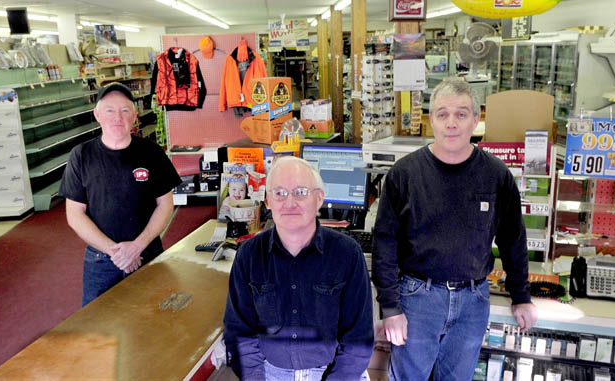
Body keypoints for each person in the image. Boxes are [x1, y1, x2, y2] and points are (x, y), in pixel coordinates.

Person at [372, 78, 537, 380]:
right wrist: (390, 307)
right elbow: (384, 244)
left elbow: (513, 239)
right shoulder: (404, 175)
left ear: (476, 120)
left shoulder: (497, 175)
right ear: (430, 119)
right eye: (442, 114)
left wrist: (521, 295)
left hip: (473, 303)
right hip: (417, 300)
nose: (451, 123)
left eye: (461, 114)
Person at [224, 156, 374, 381]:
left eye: (301, 192)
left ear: (319, 198)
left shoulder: (347, 254)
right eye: (280, 193)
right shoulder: (249, 255)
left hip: (334, 372)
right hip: (270, 373)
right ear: (268, 201)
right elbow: (240, 335)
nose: (290, 202)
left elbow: (358, 341)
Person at [60, 83, 181, 306]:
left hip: (147, 253)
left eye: (125, 110)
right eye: (109, 110)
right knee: (98, 326)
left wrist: (137, 246)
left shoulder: (152, 153)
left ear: (134, 116)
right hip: (100, 259)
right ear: (97, 114)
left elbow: (165, 205)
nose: (118, 117)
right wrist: (115, 252)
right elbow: (75, 215)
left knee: (154, 321)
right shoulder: (81, 156)